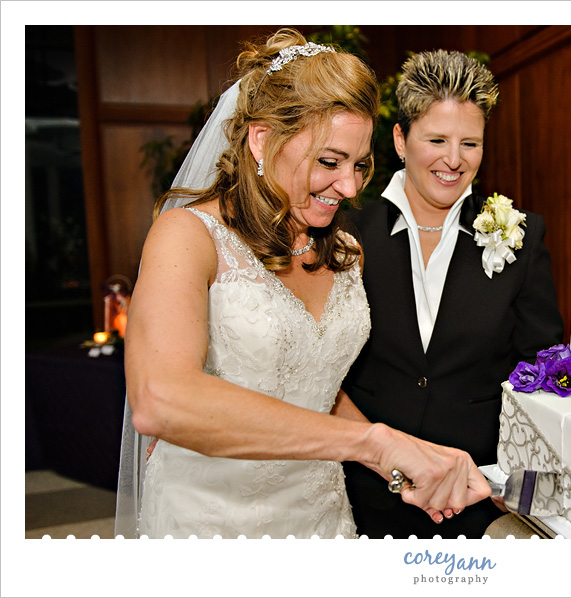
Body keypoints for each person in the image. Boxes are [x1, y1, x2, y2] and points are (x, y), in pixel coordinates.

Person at [113, 29, 490, 539]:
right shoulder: (188, 237)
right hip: (212, 523)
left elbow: (314, 386)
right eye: (329, 162)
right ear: (262, 139)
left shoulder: (342, 251)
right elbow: (160, 398)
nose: (351, 186)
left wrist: (402, 460)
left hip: (320, 516)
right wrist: (373, 445)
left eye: (360, 165)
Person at [341, 50, 564, 538]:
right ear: (400, 140)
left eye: (470, 143)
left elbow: (541, 368)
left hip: (474, 501)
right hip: (360, 494)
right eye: (436, 140)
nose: (454, 159)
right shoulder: (346, 232)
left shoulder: (519, 237)